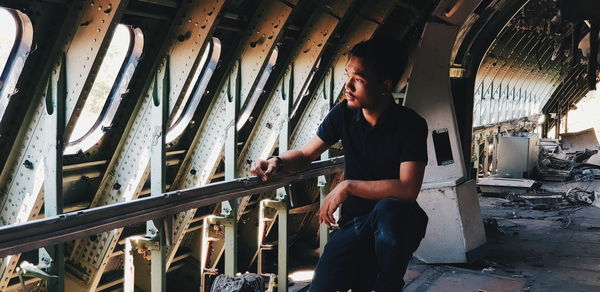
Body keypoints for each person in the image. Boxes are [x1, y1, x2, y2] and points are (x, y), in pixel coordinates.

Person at [250, 38, 429, 292]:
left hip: (395, 225)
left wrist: (348, 186)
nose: (348, 85)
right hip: (354, 223)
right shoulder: (343, 114)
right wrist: (275, 161)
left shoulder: (410, 125)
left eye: (359, 78)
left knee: (389, 211)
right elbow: (304, 154)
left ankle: (388, 285)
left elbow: (408, 188)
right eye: (348, 74)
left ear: (384, 85)